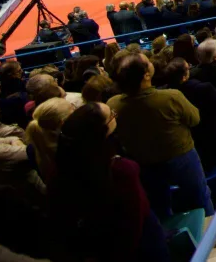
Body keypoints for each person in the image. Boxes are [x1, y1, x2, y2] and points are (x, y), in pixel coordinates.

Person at [52, 103, 170, 261]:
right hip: (139, 246)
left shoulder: (63, 166)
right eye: (112, 115)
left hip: (99, 246)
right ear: (102, 130)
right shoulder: (121, 171)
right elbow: (133, 223)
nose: (115, 115)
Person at [108, 52, 215, 217]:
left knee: (159, 204)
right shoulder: (170, 97)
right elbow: (194, 119)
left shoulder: (113, 104)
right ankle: (210, 223)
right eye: (148, 62)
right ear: (146, 75)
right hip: (180, 156)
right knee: (199, 194)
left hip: (143, 162)